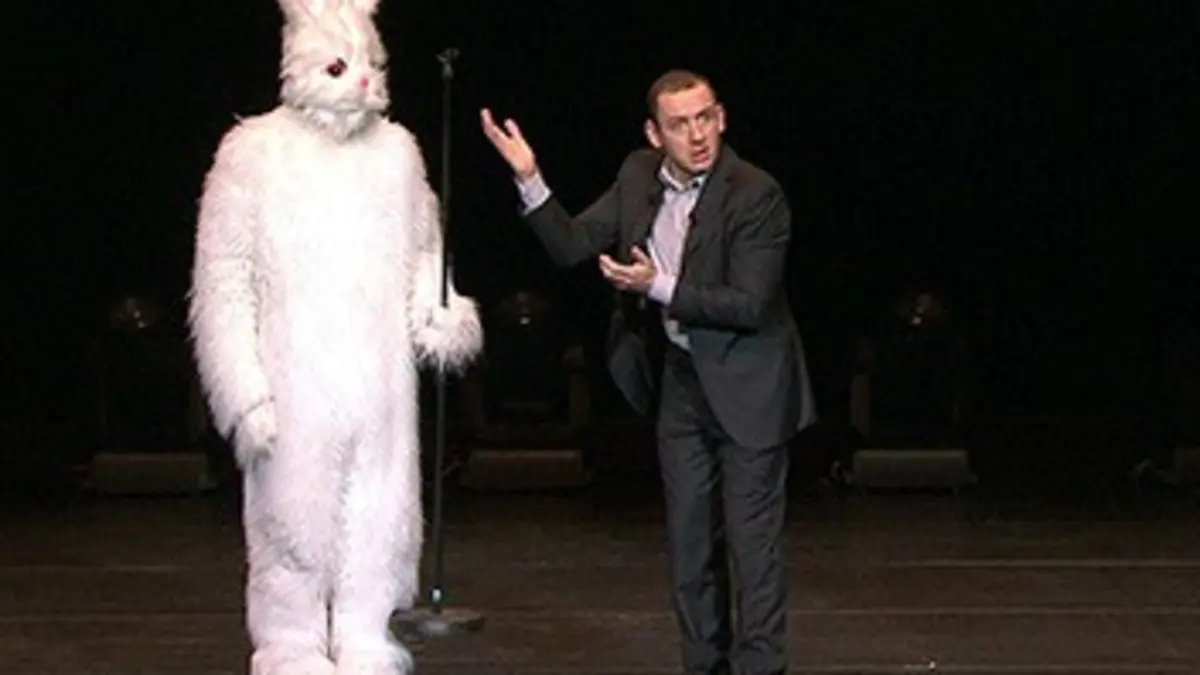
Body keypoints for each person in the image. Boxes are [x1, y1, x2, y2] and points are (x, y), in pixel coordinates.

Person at [481, 69, 816, 675]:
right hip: (683, 384)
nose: (697, 135)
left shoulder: (755, 194)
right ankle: (703, 666)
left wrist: (655, 285)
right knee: (691, 544)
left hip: (750, 386)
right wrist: (530, 178)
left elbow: (749, 304)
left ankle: (762, 668)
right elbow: (573, 244)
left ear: (722, 118)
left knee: (752, 548)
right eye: (680, 124)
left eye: (705, 118)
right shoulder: (638, 175)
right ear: (654, 134)